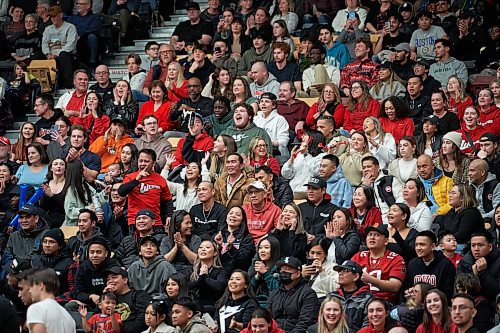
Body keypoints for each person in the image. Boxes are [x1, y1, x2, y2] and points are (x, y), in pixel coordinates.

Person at [119, 148, 173, 231]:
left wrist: (169, 215)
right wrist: (137, 179)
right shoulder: (130, 177)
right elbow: (121, 192)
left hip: (155, 222)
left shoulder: (160, 179)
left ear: (154, 163)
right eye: (140, 161)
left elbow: (167, 199)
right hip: (135, 221)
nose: (143, 164)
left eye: (146, 161)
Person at [352, 224, 406, 303]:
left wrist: (371, 279)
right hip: (358, 300)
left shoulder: (396, 259)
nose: (372, 237)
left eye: (377, 235)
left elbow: (395, 286)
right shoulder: (359, 256)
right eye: (369, 235)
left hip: (383, 301)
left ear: (386, 241)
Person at [268, 256, 320, 333]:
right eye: (282, 269)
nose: (284, 272)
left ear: (298, 273)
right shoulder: (274, 293)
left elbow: (305, 322)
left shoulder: (308, 293)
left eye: (288, 269)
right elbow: (267, 318)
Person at [405, 231, 456, 302]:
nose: (418, 248)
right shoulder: (412, 264)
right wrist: (408, 293)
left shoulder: (446, 265)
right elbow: (407, 288)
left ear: (433, 246)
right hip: (415, 304)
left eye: (422, 244)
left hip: (438, 305)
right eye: (416, 245)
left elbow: (448, 293)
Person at [104, 266, 152, 333]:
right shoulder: (108, 299)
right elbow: (96, 318)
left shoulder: (139, 295)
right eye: (108, 279)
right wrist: (104, 296)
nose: (110, 281)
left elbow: (142, 319)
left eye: (114, 277)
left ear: (125, 280)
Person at [456, 232, 500, 304]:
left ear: (490, 247)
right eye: (473, 245)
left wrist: (483, 272)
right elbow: (460, 288)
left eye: (480, 245)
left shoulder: (498, 261)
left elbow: (495, 291)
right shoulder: (465, 262)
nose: (476, 249)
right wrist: (474, 275)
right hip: (469, 302)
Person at [330, 260, 373, 332]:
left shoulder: (367, 298)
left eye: (345, 270)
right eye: (339, 271)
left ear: (356, 276)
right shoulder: (331, 296)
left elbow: (368, 326)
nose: (340, 273)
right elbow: (322, 321)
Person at [41, 6, 77, 88]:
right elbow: (44, 44)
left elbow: (70, 45)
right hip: (50, 56)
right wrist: (48, 54)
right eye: (51, 17)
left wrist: (56, 54)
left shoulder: (70, 27)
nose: (52, 19)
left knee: (64, 55)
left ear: (60, 15)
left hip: (67, 56)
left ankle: (68, 84)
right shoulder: (48, 29)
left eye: (54, 16)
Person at [361, 156, 404, 223]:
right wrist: (364, 187)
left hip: (393, 218)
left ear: (378, 168)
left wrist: (393, 212)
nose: (366, 169)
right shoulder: (362, 186)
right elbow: (358, 205)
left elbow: (401, 198)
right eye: (364, 168)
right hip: (374, 221)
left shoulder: (390, 180)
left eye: (369, 167)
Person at [214, 205, 255, 274]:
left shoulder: (247, 238)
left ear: (242, 220)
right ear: (226, 218)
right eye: (231, 213)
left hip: (237, 274)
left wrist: (231, 247)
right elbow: (211, 259)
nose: (233, 216)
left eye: (237, 215)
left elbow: (243, 261)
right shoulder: (217, 236)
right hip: (218, 273)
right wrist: (218, 246)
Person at [161, 210, 201, 281]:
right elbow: (164, 261)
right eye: (187, 223)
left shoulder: (195, 239)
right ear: (177, 225)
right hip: (171, 271)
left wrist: (182, 246)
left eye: (190, 223)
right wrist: (176, 247)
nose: (190, 226)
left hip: (190, 271)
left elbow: (196, 260)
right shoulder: (166, 240)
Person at [299, 176, 336, 241]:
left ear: (323, 190)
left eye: (314, 188)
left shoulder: (333, 209)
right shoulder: (300, 207)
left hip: (323, 245)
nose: (310, 191)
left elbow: (335, 231)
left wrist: (316, 238)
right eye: (308, 188)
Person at [249, 235, 281, 307]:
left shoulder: (280, 267)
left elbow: (277, 290)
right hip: (253, 304)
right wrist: (257, 277)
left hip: (272, 305)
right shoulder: (253, 266)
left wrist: (266, 273)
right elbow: (248, 291)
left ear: (274, 249)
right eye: (260, 248)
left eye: (266, 248)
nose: (262, 250)